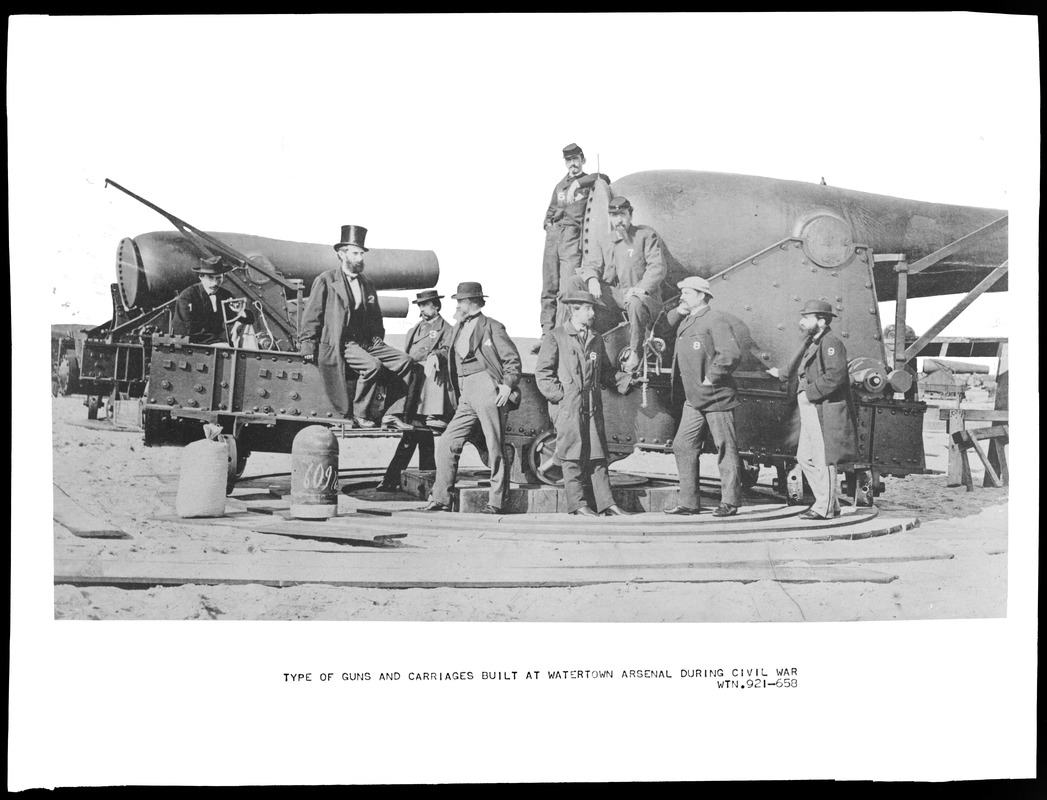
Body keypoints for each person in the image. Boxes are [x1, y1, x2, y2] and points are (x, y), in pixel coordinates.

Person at [298, 224, 419, 430]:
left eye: (362, 253)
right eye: (356, 253)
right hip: (342, 341)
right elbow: (312, 314)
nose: (360, 258)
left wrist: (377, 339)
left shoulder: (366, 283)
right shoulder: (326, 280)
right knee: (372, 366)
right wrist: (307, 343)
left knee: (406, 361)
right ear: (341, 254)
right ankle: (360, 414)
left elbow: (375, 316)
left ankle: (392, 414)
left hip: (368, 341)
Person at [535, 290, 637, 517]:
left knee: (598, 455)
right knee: (571, 455)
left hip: (591, 406)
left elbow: (606, 372)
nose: (592, 313)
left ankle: (607, 504)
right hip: (568, 408)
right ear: (574, 310)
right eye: (588, 309)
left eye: (592, 309)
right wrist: (560, 398)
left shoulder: (596, 338)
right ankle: (578, 504)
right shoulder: (556, 336)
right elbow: (543, 373)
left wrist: (626, 380)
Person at [422, 282, 521, 514]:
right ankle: (441, 498)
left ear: (472, 303)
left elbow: (512, 360)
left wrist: (507, 385)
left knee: (495, 446)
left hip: (487, 387)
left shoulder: (493, 327)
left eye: (460, 302)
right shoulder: (457, 327)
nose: (456, 306)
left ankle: (496, 502)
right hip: (465, 391)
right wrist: (435, 356)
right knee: (448, 441)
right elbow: (446, 348)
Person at [663, 277, 744, 517]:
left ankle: (730, 502)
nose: (682, 297)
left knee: (725, 448)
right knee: (683, 445)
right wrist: (679, 310)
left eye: (687, 293)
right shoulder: (687, 320)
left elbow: (730, 354)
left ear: (701, 295)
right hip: (694, 397)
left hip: (715, 394)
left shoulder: (715, 319)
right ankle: (689, 503)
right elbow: (662, 328)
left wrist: (711, 378)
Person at [568, 195, 666, 372]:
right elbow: (592, 265)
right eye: (614, 216)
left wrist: (640, 288)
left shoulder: (645, 236)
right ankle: (572, 333)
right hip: (619, 296)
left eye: (622, 214)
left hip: (643, 298)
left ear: (631, 214)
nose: (618, 220)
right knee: (575, 282)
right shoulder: (605, 241)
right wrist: (592, 280)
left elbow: (657, 267)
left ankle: (635, 352)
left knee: (635, 300)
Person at [786, 299, 859, 520]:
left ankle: (823, 508)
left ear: (821, 320)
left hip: (821, 408)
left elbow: (836, 375)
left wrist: (809, 394)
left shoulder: (830, 342)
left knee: (823, 458)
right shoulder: (815, 342)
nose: (802, 321)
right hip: (812, 407)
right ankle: (831, 504)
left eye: (806, 318)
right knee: (804, 457)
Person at [535, 142, 610, 352]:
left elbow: (603, 178)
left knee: (566, 287)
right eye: (568, 160)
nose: (572, 164)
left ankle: (561, 334)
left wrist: (579, 184)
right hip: (554, 238)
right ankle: (546, 334)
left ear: (582, 160)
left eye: (576, 159)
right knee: (548, 286)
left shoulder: (589, 182)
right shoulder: (559, 186)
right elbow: (550, 211)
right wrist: (548, 226)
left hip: (571, 238)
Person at [386, 288, 453, 431]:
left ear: (436, 306)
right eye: (420, 305)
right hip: (413, 369)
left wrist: (436, 356)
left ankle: (432, 414)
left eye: (426, 305)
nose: (422, 309)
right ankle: (395, 414)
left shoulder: (446, 328)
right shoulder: (414, 329)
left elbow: (447, 349)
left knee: (433, 366)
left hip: (429, 370)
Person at [171, 255, 254, 344]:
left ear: (223, 276)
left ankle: (251, 356)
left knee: (246, 326)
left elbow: (249, 319)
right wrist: (219, 343)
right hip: (196, 343)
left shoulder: (225, 294)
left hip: (219, 341)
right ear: (201, 277)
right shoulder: (188, 296)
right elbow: (190, 330)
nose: (215, 283)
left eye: (218, 278)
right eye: (210, 278)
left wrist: (239, 312)